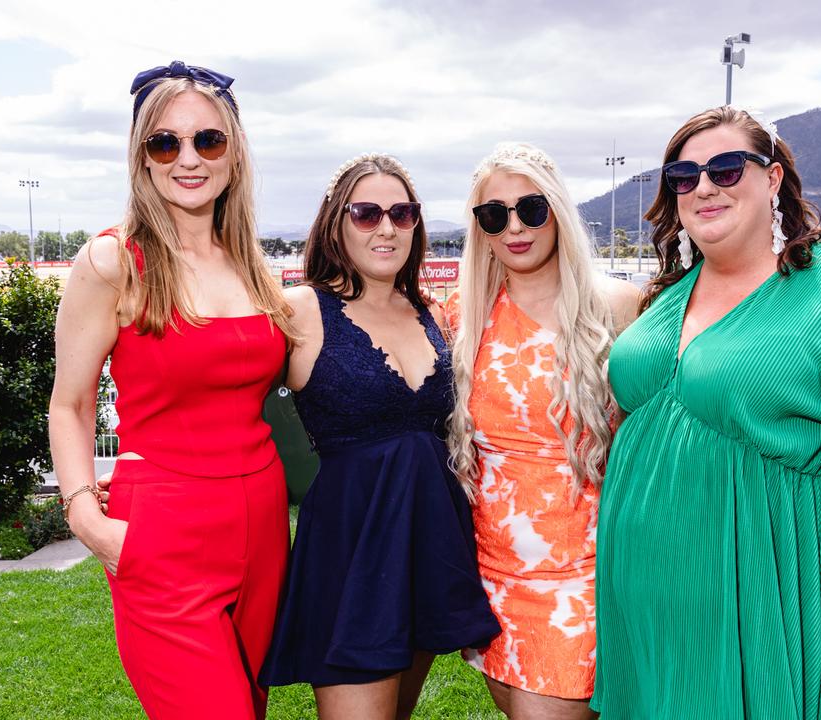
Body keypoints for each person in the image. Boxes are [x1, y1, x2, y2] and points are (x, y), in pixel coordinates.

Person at [591, 106, 821, 719]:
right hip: (649, 583)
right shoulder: (666, 297)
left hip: (782, 576)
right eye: (684, 176)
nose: (704, 186)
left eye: (727, 167)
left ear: (773, 179)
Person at [48, 62, 294, 719]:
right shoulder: (111, 262)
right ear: (143, 159)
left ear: (234, 153)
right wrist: (83, 515)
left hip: (264, 526)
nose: (188, 158)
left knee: (251, 705)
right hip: (163, 531)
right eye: (166, 142)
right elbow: (68, 404)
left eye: (207, 140)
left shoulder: (249, 264)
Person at [258, 153, 500, 719]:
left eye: (402, 213)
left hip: (426, 547)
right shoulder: (299, 312)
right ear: (336, 222)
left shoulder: (432, 315)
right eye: (366, 213)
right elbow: (226, 399)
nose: (386, 227)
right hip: (350, 552)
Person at [445, 142, 640, 719]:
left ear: (557, 210)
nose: (514, 227)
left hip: (583, 575)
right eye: (493, 214)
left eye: (531, 208)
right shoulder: (462, 316)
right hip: (491, 577)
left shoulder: (619, 308)